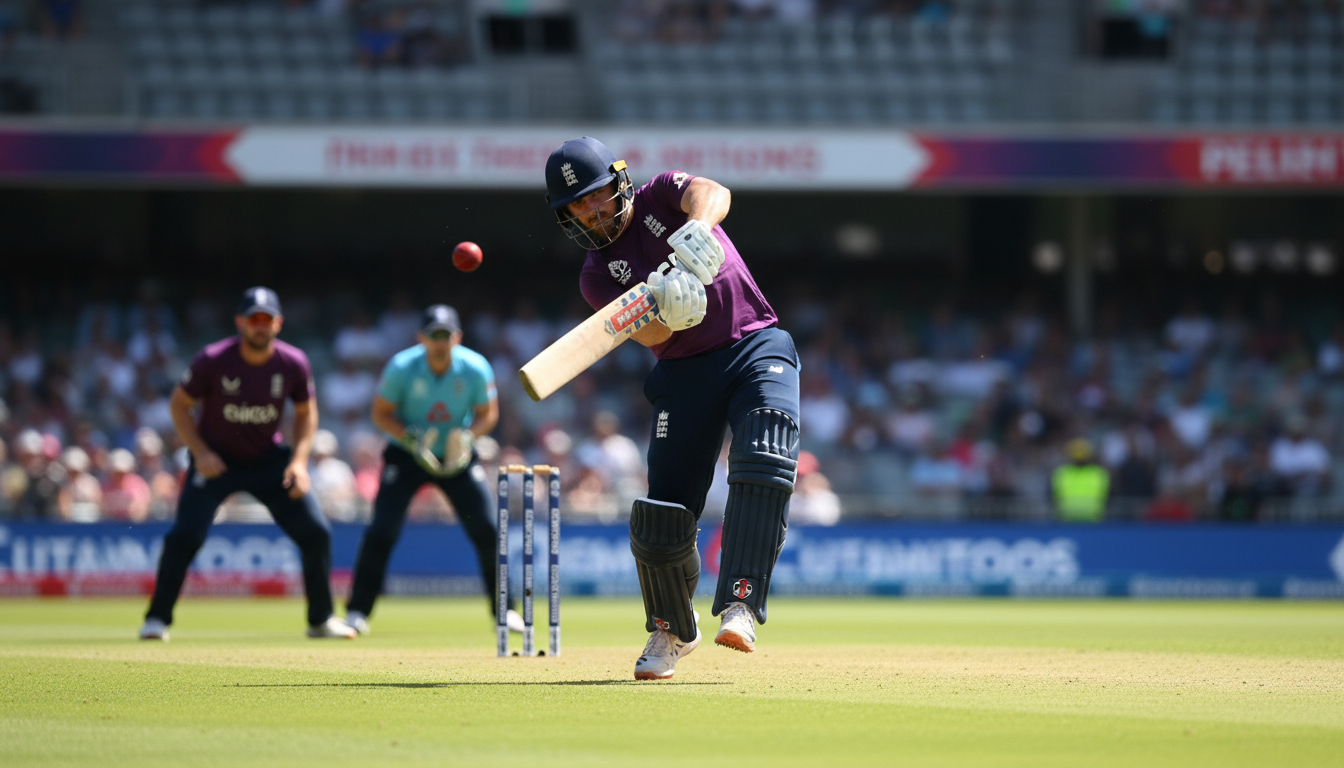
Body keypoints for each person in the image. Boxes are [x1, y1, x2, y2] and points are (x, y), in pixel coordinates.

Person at [544, 136, 801, 680]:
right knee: (662, 513)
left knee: (765, 452)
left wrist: (698, 230)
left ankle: (741, 603)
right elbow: (655, 334)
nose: (591, 211)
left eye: (596, 195)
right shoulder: (596, 276)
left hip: (754, 342)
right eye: (578, 207)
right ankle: (671, 629)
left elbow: (713, 191)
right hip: (684, 372)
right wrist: (668, 306)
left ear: (620, 183)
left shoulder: (661, 195)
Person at [140, 287, 356, 641]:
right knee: (185, 536)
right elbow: (179, 405)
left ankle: (321, 620)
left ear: (278, 323)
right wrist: (200, 452)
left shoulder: (293, 363)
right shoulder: (212, 359)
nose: (260, 325)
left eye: (266, 319)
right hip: (215, 461)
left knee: (315, 532)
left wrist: (299, 463)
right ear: (239, 322)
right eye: (253, 318)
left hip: (268, 462)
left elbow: (307, 414)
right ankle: (156, 620)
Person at [345, 305, 523, 636]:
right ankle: (357, 611)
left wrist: (467, 438)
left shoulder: (475, 367)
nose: (440, 342)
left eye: (446, 335)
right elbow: (381, 414)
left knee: (486, 529)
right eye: (434, 335)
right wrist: (410, 438)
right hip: (408, 454)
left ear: (458, 337)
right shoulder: (402, 367)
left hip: (456, 455)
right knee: (382, 530)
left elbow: (488, 414)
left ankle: (506, 611)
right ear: (421, 338)